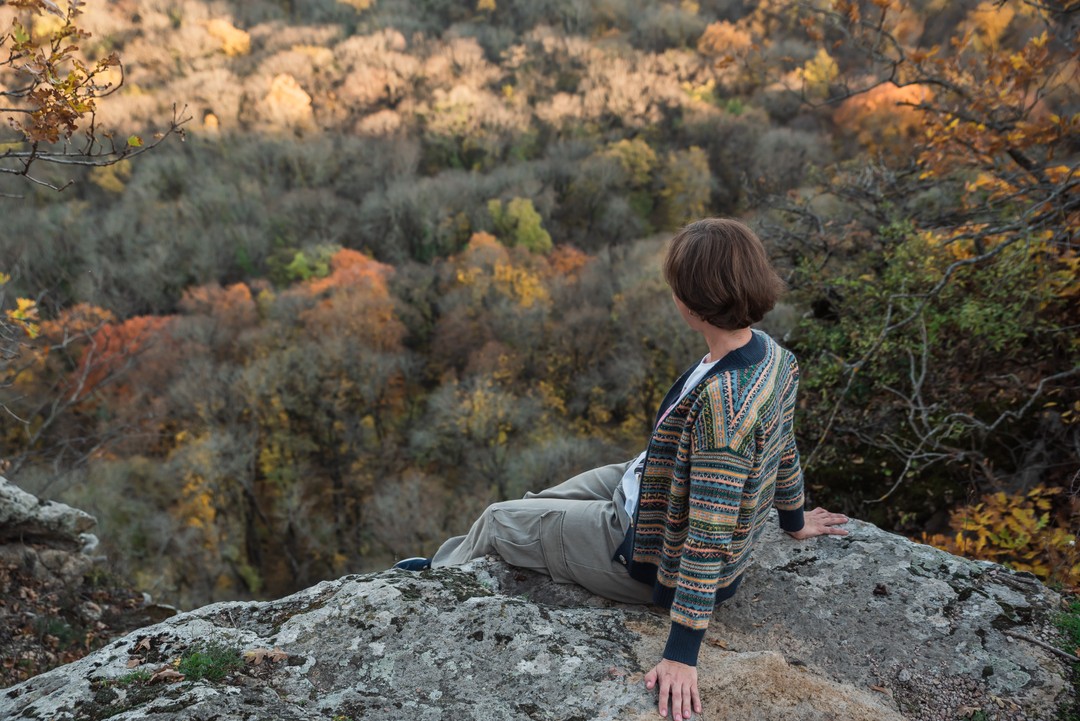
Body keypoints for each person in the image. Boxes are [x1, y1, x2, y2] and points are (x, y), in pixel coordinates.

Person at [394, 218, 849, 720]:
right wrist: (794, 518)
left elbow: (708, 535)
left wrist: (680, 653)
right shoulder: (772, 356)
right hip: (648, 483)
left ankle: (433, 581)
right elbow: (783, 442)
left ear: (692, 306)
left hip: (644, 551)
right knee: (529, 505)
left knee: (499, 520)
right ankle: (456, 558)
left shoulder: (724, 407)